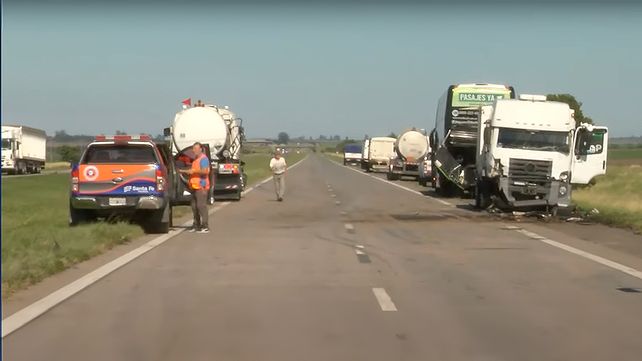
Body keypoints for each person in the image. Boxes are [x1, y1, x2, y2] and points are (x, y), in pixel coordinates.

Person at [179, 142, 211, 233]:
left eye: (196, 148)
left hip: (202, 186)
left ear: (201, 149)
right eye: (194, 149)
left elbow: (205, 171)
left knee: (201, 206)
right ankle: (196, 225)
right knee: (194, 207)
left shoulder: (203, 159)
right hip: (194, 186)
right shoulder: (196, 159)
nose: (195, 150)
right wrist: (183, 171)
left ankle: (205, 226)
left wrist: (193, 171)